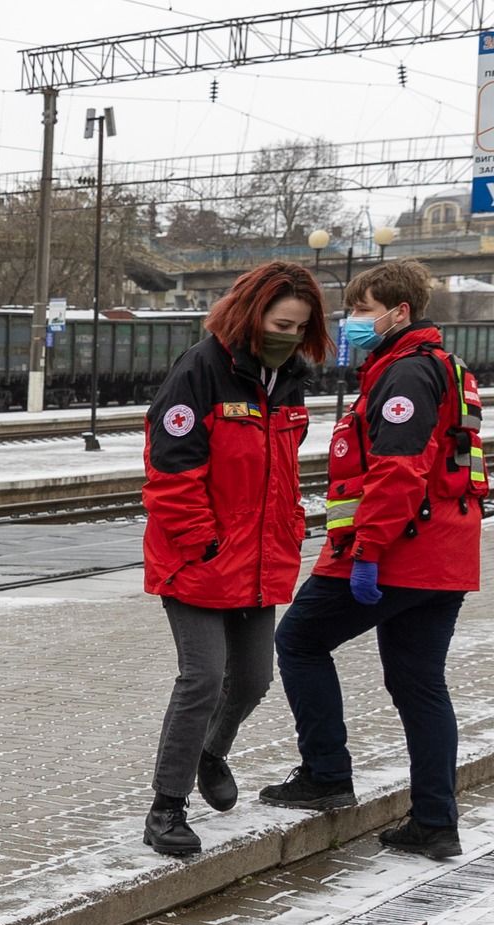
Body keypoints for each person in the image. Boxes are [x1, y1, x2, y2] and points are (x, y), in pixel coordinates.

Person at [262, 259, 482, 859]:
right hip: (444, 557)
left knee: (299, 643)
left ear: (398, 312)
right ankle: (435, 823)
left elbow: (398, 471)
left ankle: (327, 775)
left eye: (361, 309)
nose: (352, 321)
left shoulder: (406, 375)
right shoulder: (446, 367)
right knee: (419, 684)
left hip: (394, 553)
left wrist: (367, 553)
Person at [138, 262, 327, 857]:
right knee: (202, 678)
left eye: (299, 327)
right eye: (280, 323)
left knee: (252, 679)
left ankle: (210, 753)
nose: (289, 336)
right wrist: (202, 541)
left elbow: (283, 471)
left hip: (259, 560)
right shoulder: (200, 371)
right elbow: (171, 469)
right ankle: (166, 807)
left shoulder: (291, 379)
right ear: (251, 315)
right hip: (199, 558)